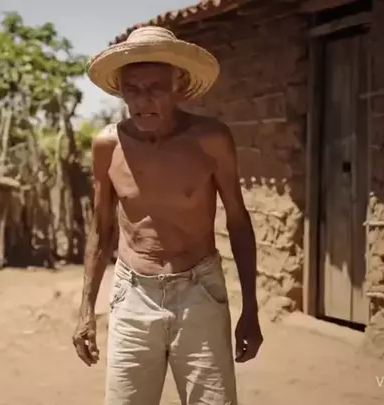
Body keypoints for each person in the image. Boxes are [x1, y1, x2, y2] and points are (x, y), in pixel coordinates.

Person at [72, 26, 263, 405]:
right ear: (121, 91)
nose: (143, 99)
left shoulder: (210, 140)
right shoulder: (108, 146)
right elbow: (100, 228)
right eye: (132, 89)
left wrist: (251, 309)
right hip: (132, 294)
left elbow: (239, 221)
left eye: (155, 87)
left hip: (199, 291)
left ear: (179, 85)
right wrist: (86, 310)